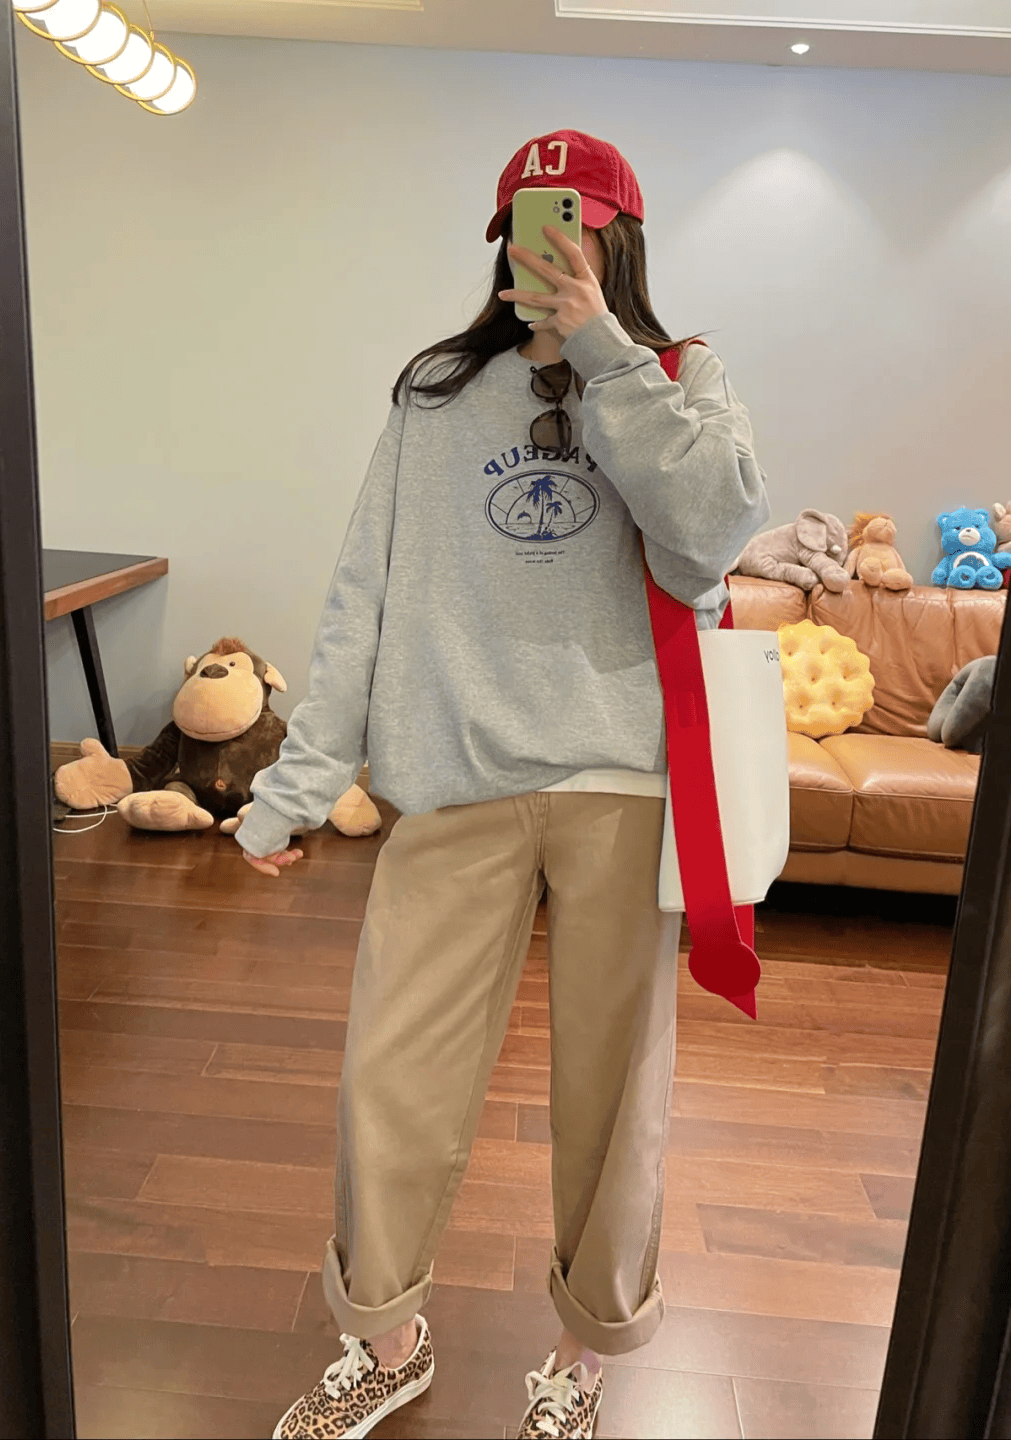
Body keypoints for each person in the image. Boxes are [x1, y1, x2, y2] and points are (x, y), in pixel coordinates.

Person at [235, 129, 770, 1440]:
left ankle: (584, 1361)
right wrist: (301, 780)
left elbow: (708, 540)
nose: (549, 256)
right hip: (456, 776)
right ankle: (387, 1339)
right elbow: (363, 595)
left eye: (574, 230)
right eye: (530, 233)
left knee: (614, 1095)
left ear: (616, 241)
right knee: (392, 1074)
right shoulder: (435, 394)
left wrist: (607, 357)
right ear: (502, 245)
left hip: (623, 782)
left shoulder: (682, 378)